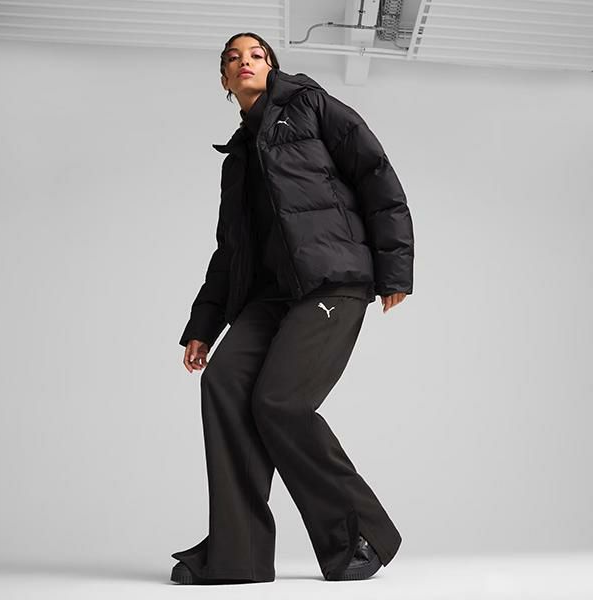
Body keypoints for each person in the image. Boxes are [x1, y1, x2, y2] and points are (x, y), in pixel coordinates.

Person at [170, 31, 414, 585]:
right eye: (233, 58)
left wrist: (394, 267)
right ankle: (238, 553)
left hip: (332, 281)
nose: (245, 62)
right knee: (223, 384)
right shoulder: (237, 162)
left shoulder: (310, 105)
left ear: (272, 67)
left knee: (279, 402)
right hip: (272, 295)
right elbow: (230, 252)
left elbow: (376, 174)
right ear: (224, 79)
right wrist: (203, 326)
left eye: (256, 54)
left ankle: (363, 533)